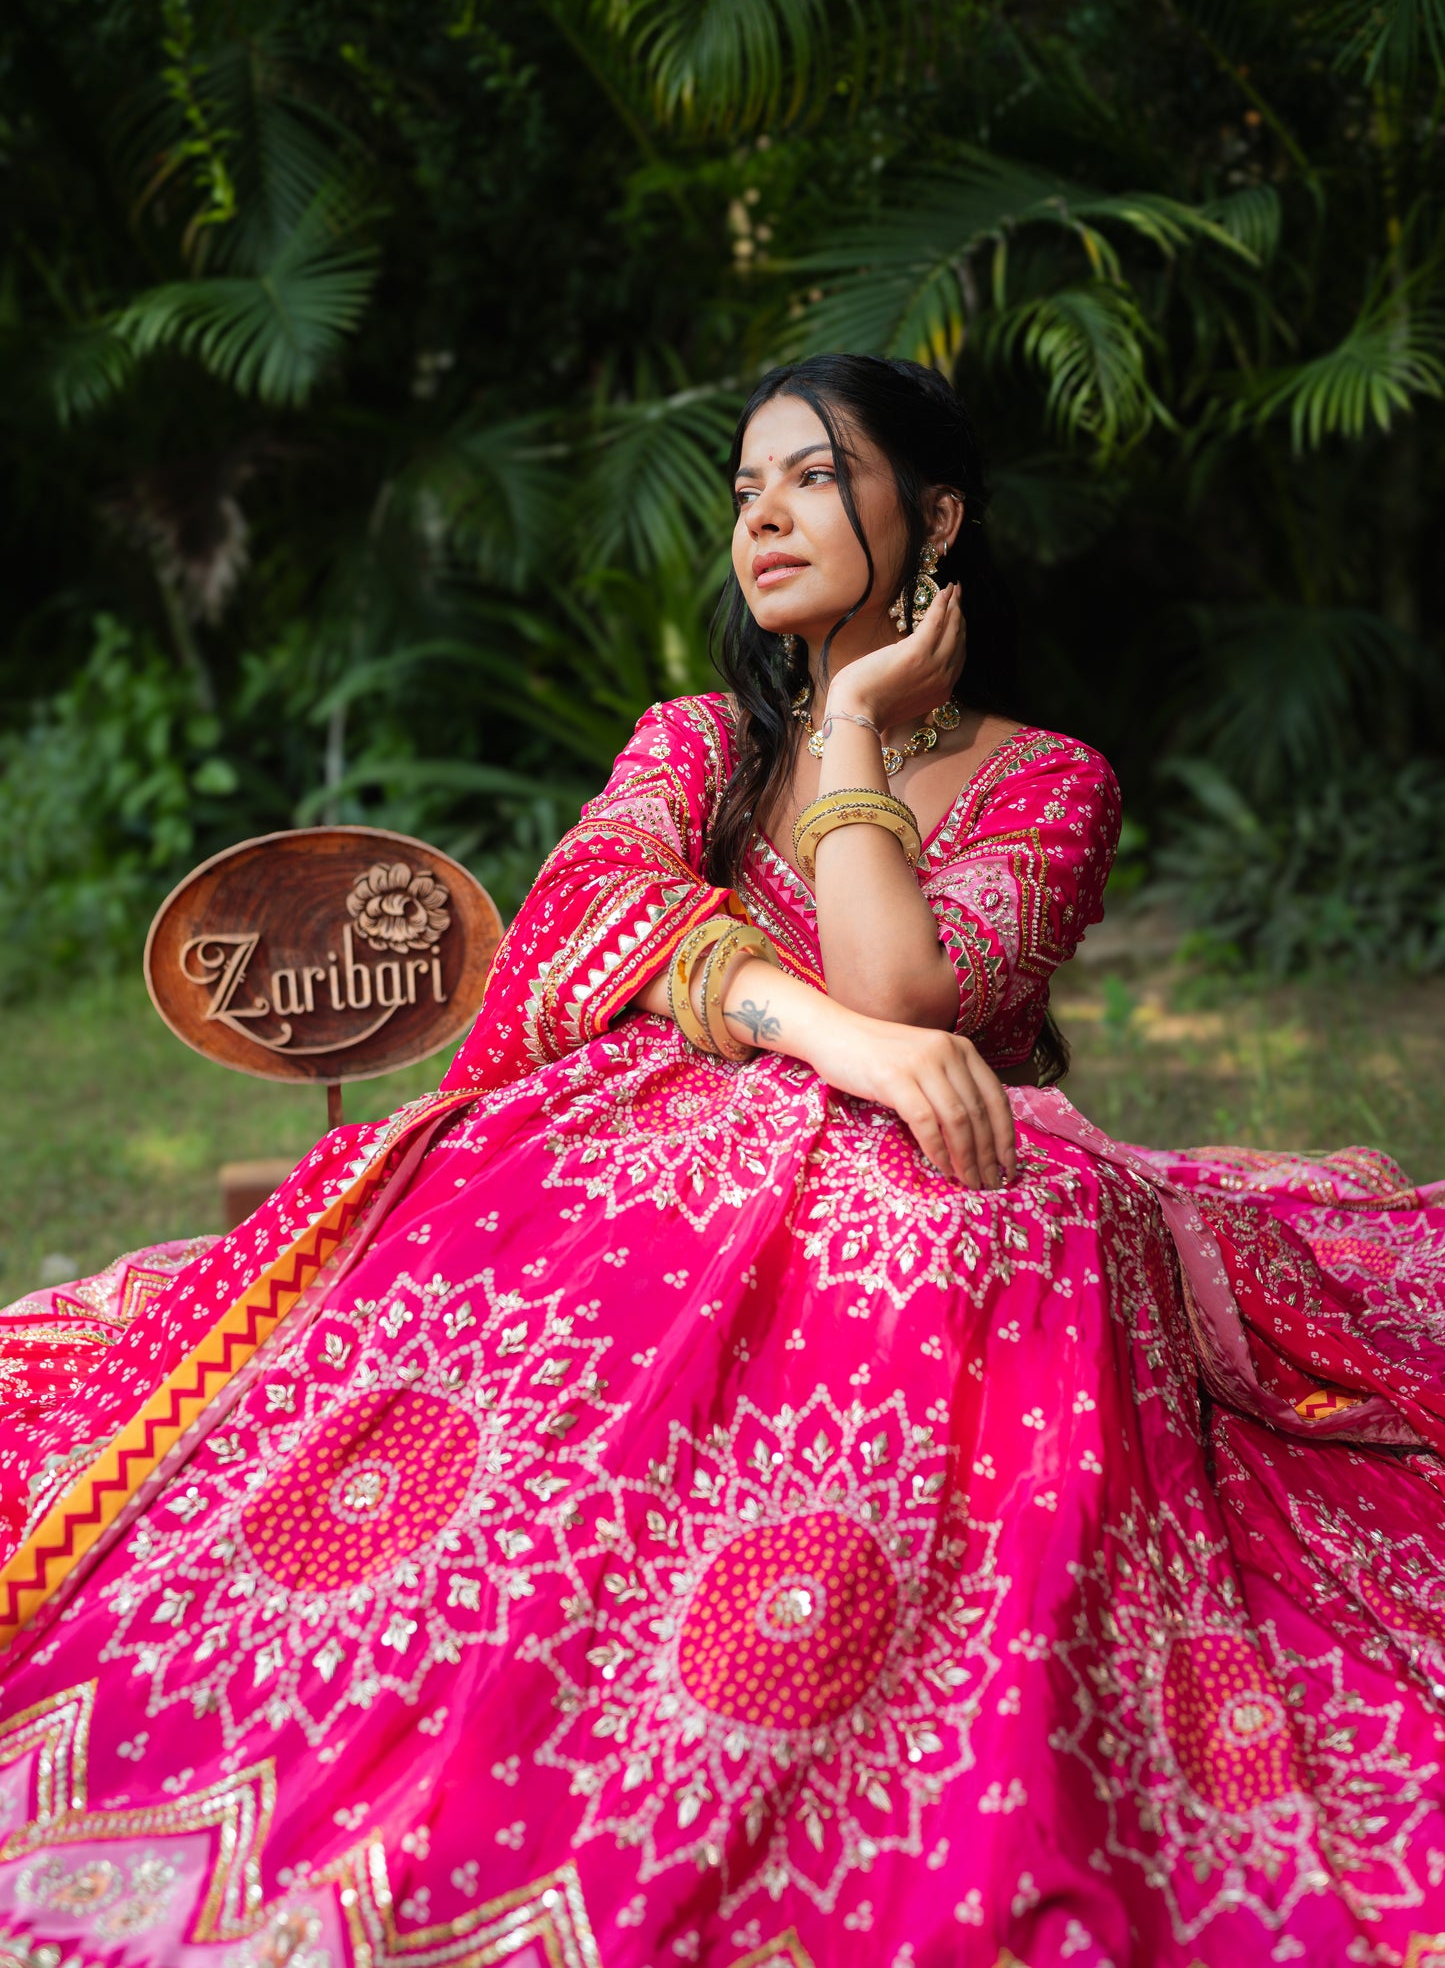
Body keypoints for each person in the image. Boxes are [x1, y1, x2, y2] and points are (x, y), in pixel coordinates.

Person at [0, 355, 1441, 1968]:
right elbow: (590, 910)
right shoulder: (688, 744)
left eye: (813, 477)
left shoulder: (1048, 780)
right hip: (665, 1167)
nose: (762, 515)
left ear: (937, 516)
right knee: (630, 1200)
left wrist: (849, 728)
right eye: (745, 488)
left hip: (943, 1184)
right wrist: (825, 1039)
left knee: (953, 1236)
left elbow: (915, 996)